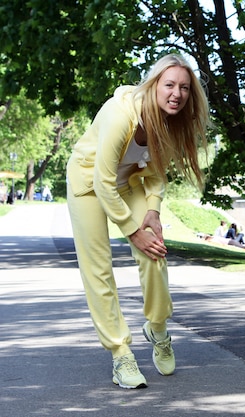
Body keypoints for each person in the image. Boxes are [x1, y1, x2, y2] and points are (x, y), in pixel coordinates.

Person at [66, 53, 210, 389]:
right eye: (170, 84)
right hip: (88, 185)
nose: (177, 93)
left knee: (154, 251)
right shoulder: (121, 114)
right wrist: (133, 232)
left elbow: (157, 172)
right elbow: (102, 182)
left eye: (185, 88)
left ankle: (157, 326)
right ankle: (120, 354)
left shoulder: (169, 120)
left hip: (127, 183)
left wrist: (153, 210)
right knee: (98, 268)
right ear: (154, 85)